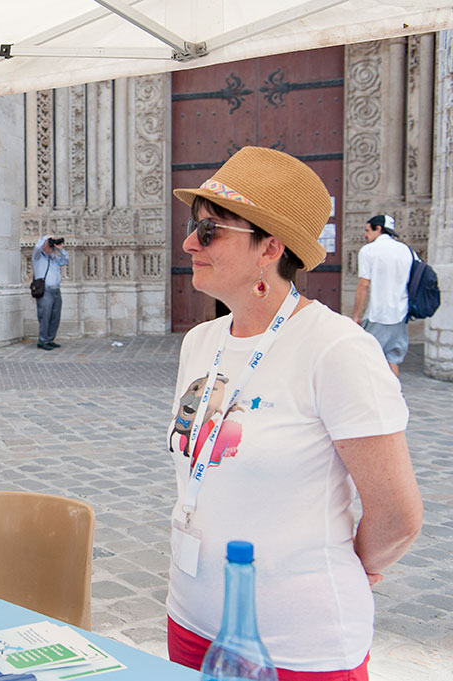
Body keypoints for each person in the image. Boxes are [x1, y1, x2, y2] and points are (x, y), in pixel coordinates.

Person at [165, 147, 421, 678]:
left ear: (270, 248)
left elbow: (396, 515)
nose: (189, 242)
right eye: (194, 227)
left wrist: (355, 568)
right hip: (190, 620)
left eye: (209, 230)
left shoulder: (337, 349)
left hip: (298, 642)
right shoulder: (201, 341)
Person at [353, 214, 413, 377]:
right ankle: (395, 396)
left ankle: (377, 397)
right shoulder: (406, 250)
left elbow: (363, 285)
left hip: (378, 314)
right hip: (400, 312)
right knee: (392, 358)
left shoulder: (369, 250)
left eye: (367, 230)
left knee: (370, 358)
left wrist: (356, 314)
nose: (365, 235)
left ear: (378, 229)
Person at [32, 234, 69, 350]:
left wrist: (60, 248)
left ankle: (50, 339)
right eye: (49, 244)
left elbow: (65, 260)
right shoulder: (38, 257)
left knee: (55, 316)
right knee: (45, 316)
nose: (51, 246)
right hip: (45, 290)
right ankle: (42, 341)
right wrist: (47, 237)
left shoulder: (54, 258)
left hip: (56, 290)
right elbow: (38, 247)